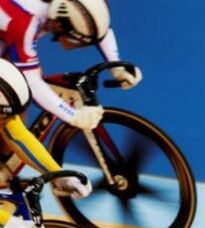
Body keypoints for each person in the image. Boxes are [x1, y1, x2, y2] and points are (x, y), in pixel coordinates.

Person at [0, 0, 142, 133]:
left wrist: (116, 66)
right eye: (77, 41)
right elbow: (32, 82)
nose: (82, 48)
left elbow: (96, 22)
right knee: (17, 87)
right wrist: (73, 116)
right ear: (60, 25)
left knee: (18, 79)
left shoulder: (66, 9)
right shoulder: (25, 22)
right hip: (12, 22)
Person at [0, 58, 91, 228]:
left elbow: (20, 138)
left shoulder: (4, 116)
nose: (9, 121)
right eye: (4, 116)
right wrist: (6, 222)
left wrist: (57, 174)